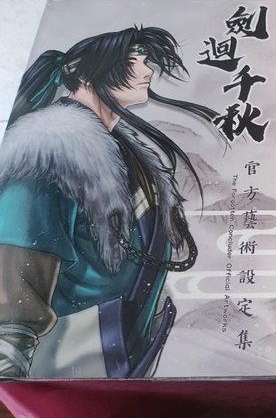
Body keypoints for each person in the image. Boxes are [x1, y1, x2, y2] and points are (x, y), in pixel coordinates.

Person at [0, 26, 219, 378]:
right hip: (71, 353)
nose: (147, 70)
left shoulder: (120, 147)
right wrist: (9, 364)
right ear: (85, 73)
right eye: (133, 60)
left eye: (146, 60)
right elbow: (17, 265)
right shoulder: (44, 150)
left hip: (117, 340)